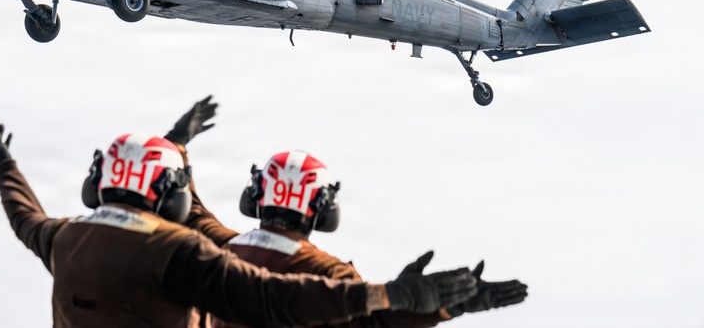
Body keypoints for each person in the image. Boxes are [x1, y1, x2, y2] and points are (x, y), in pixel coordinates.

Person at [0, 115, 480, 327]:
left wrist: (5, 163)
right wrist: (392, 296)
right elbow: (272, 298)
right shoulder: (178, 251)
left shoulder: (66, 237)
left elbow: (24, 216)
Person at [164, 97, 529, 328]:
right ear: (323, 209)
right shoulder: (329, 273)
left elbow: (191, 210)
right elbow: (373, 321)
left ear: (256, 195)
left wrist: (175, 145)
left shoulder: (218, 247)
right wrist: (441, 306)